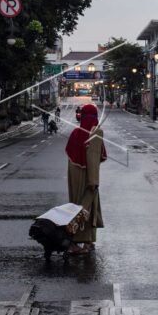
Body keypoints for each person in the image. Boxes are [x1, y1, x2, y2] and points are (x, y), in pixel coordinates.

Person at [65, 103, 106, 255]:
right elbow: (93, 159)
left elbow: (70, 154)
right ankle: (79, 242)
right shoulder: (96, 133)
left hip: (74, 176)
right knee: (87, 208)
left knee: (76, 206)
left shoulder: (76, 132)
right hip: (88, 177)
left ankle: (85, 241)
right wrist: (93, 182)